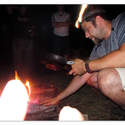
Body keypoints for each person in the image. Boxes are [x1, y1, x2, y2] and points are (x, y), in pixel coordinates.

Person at [42, 5, 125, 109]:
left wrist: (87, 66)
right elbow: (82, 75)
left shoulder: (121, 22)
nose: (86, 35)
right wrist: (58, 98)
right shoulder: (100, 48)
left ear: (98, 20)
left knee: (106, 78)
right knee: (93, 78)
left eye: (87, 29)